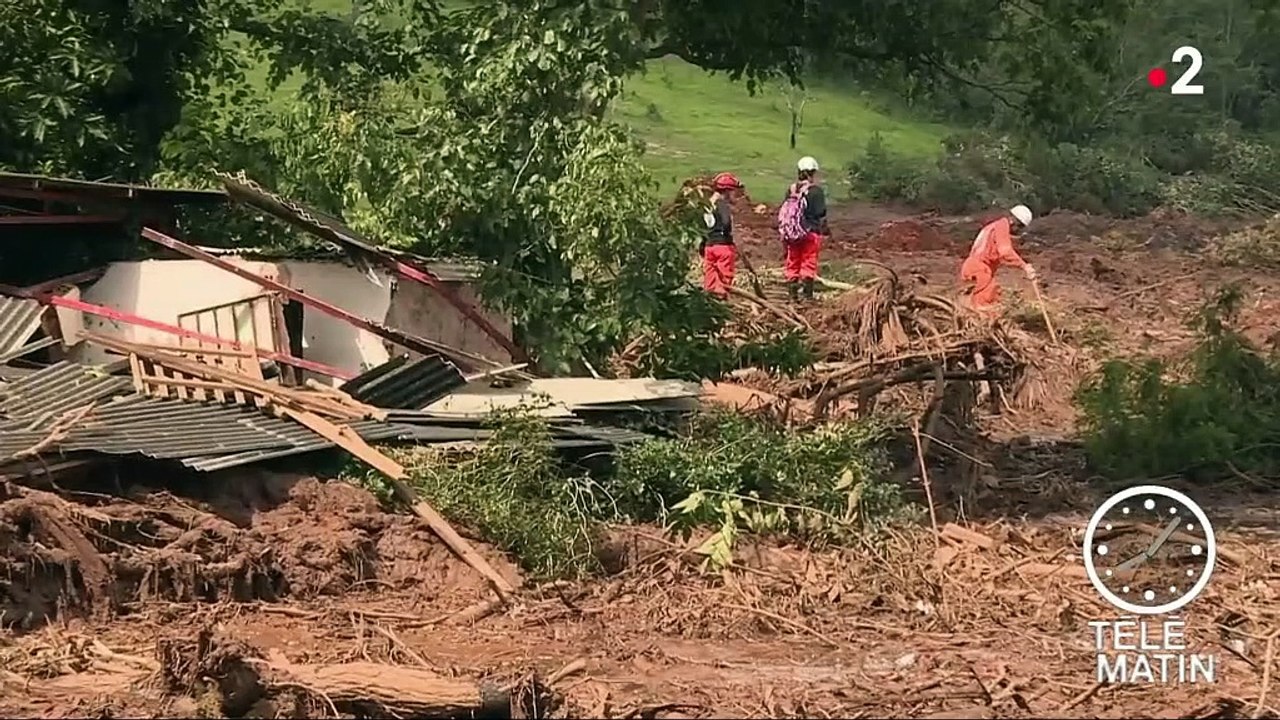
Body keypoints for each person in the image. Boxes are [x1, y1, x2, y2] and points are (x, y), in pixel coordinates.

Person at [959, 204, 1037, 312]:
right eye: (1020, 227)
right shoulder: (1002, 226)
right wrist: (1024, 266)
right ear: (1014, 222)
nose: (1018, 231)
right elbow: (1005, 252)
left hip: (972, 266)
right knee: (985, 306)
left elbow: (1001, 257)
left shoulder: (993, 226)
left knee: (973, 305)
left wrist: (1020, 265)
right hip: (980, 269)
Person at [779, 156, 828, 302]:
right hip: (810, 232)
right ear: (812, 172)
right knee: (808, 261)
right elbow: (821, 212)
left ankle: (792, 296)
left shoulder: (791, 189)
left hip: (792, 233)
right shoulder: (816, 191)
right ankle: (807, 296)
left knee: (792, 260)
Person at [699, 172, 744, 298]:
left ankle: (710, 302)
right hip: (722, 246)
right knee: (724, 280)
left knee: (711, 279)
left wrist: (703, 243)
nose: (735, 194)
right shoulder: (721, 204)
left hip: (709, 245)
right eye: (734, 191)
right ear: (727, 191)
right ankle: (721, 302)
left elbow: (702, 226)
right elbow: (726, 222)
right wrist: (729, 235)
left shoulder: (707, 205)